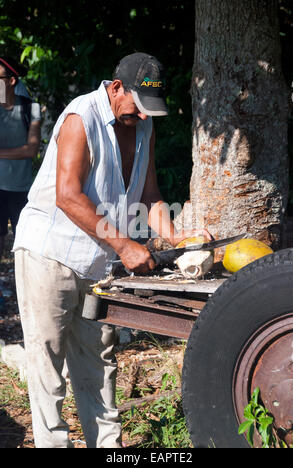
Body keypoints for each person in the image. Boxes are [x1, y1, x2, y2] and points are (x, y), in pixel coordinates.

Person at [13, 52, 211, 449]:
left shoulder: (142, 127)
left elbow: (151, 195)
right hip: (48, 255)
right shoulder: (80, 117)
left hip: (97, 263)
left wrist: (178, 238)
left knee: (98, 362)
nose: (140, 117)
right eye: (137, 107)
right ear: (116, 87)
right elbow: (68, 195)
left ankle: (108, 449)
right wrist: (124, 244)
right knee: (47, 365)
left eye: (149, 112)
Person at [0, 57, 41, 260]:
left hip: (21, 189)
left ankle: (22, 290)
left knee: (23, 246)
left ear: (11, 81)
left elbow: (31, 149)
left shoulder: (30, 108)